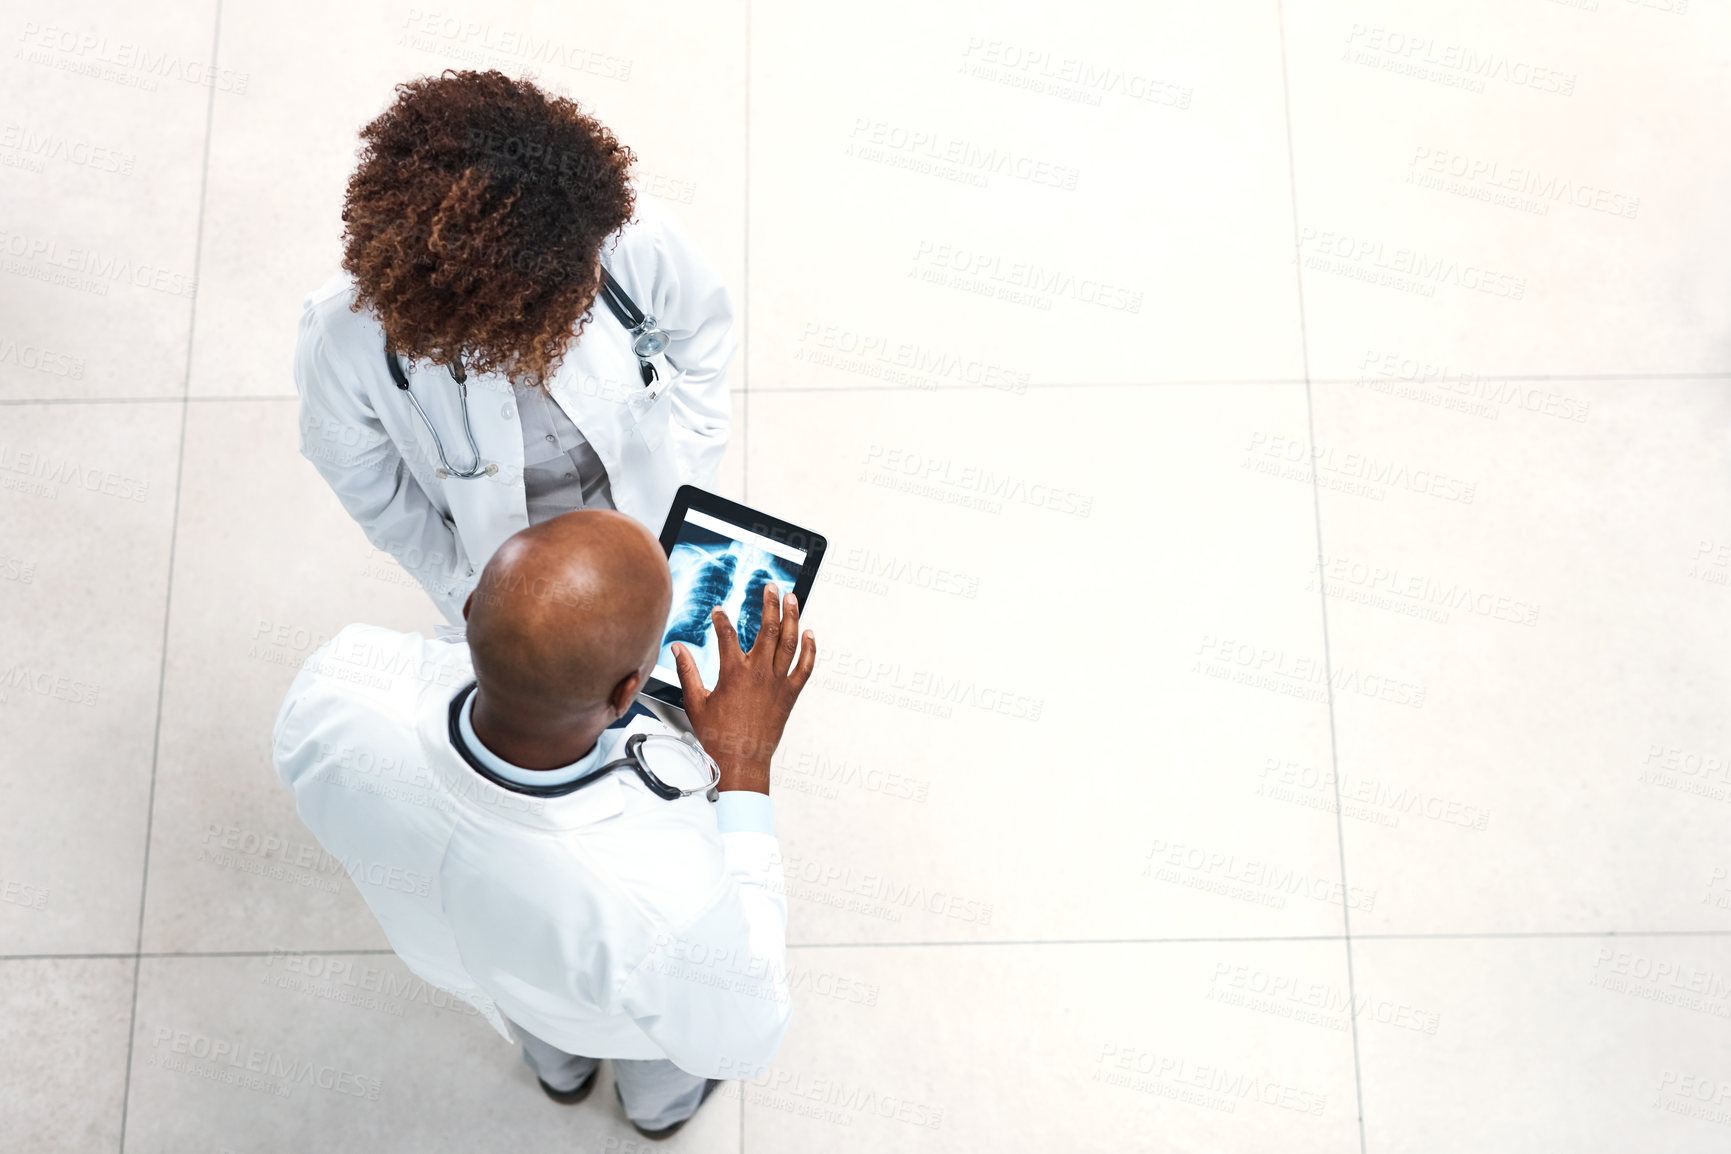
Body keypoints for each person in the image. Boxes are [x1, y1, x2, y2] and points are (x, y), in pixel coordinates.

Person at [271, 510, 816, 1138]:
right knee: (660, 1073)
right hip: (617, 1017)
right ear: (628, 694)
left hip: (486, 971)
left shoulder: (339, 687)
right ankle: (655, 1118)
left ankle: (560, 1079)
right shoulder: (661, 900)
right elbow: (741, 1042)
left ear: (472, 606)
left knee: (539, 1028)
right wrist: (743, 767)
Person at [293, 70, 734, 624]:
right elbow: (366, 480)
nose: (583, 300)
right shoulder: (343, 335)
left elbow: (705, 338)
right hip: (511, 577)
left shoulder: (621, 232)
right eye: (561, 302)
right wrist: (468, 591)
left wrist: (691, 494)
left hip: (657, 517)